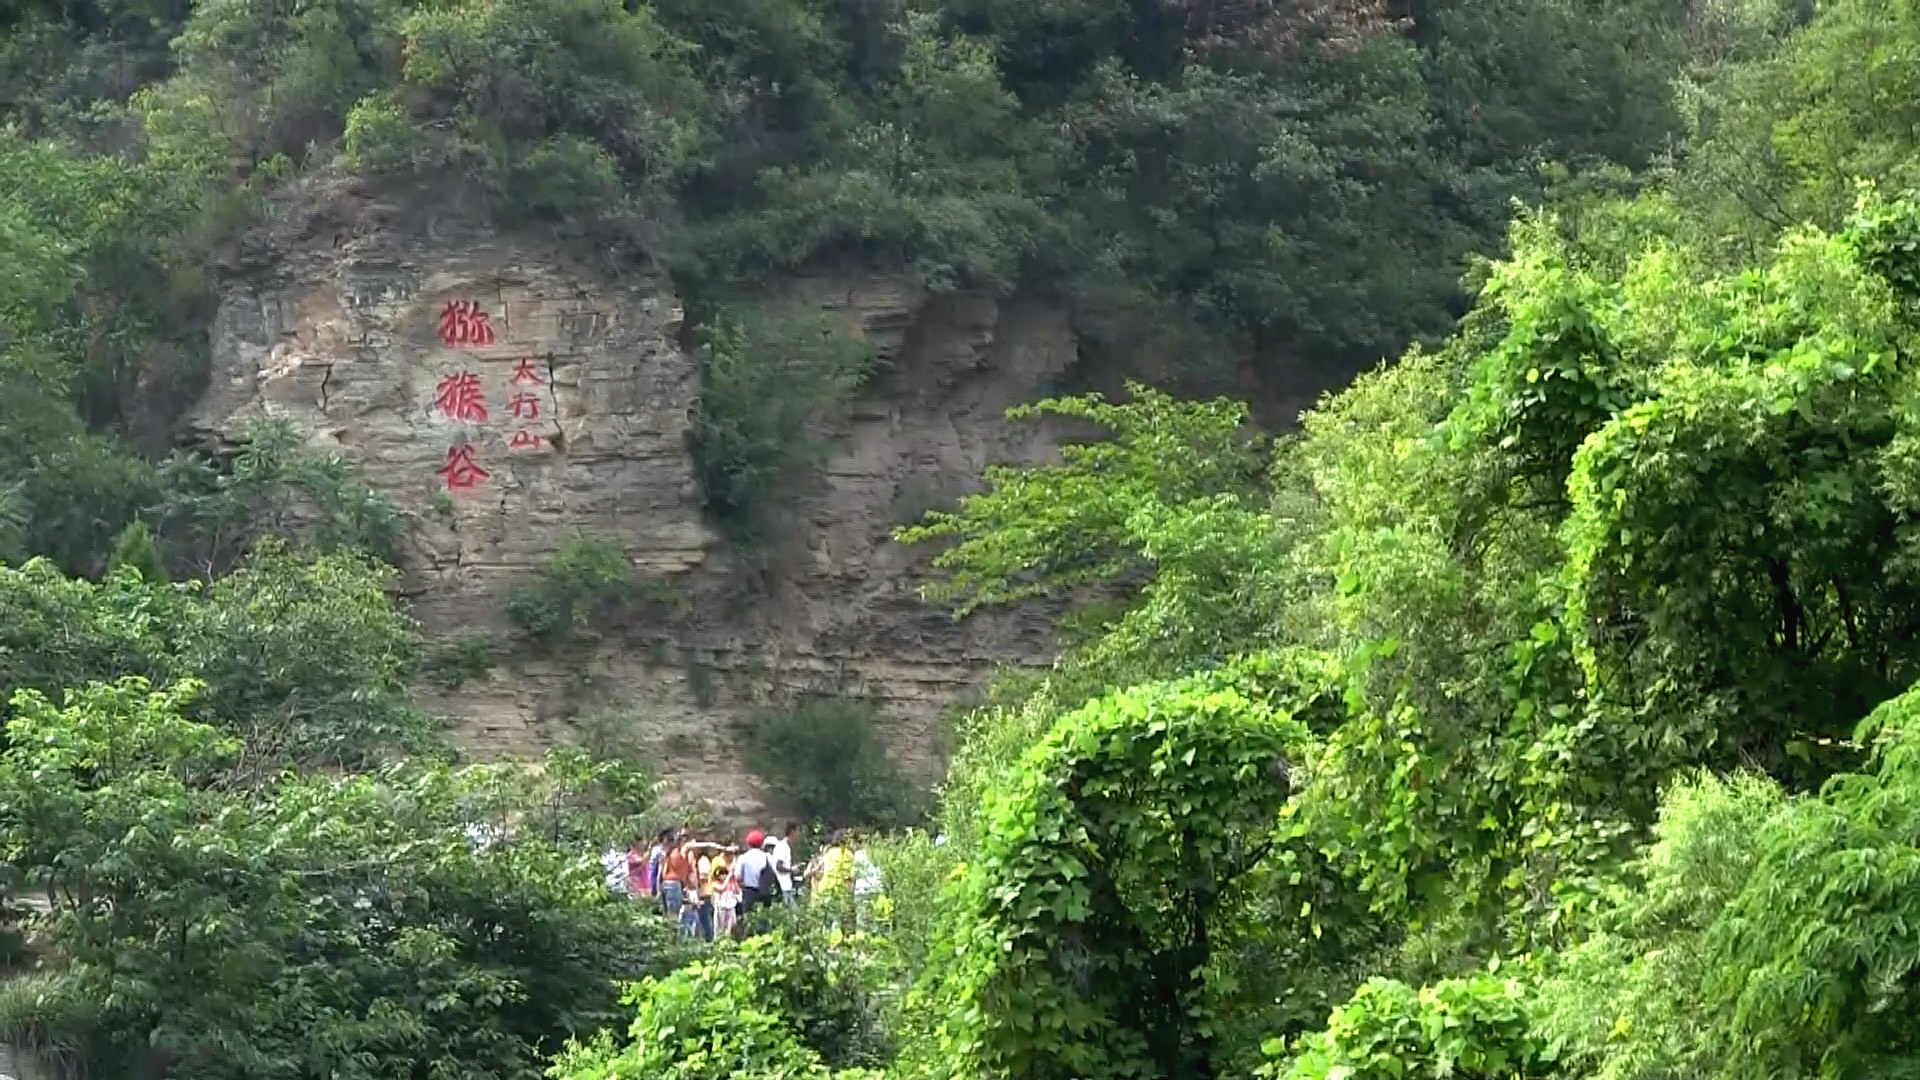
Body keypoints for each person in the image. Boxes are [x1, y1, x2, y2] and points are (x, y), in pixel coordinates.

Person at [734, 830, 773, 937]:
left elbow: (737, 876)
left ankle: (750, 940)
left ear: (748, 843)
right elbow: (772, 873)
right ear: (761, 843)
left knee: (749, 920)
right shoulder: (767, 857)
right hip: (764, 891)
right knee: (764, 919)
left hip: (749, 892)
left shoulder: (743, 858)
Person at [771, 821, 799, 904]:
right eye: (797, 831)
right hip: (783, 886)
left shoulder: (785, 846)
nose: (798, 834)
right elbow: (778, 866)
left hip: (786, 885)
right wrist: (792, 870)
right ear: (792, 831)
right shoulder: (782, 846)